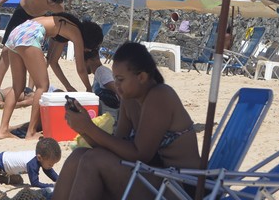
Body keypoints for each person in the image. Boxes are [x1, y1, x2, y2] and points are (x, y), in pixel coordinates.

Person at [52, 43, 200, 200]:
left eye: (120, 79)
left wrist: (89, 127)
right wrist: (83, 128)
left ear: (142, 77)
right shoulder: (130, 101)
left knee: (92, 161)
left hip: (182, 186)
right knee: (79, 155)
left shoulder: (160, 96)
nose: (116, 85)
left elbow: (140, 153)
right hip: (153, 176)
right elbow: (115, 148)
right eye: (115, 79)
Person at [0, 19, 103, 140]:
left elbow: (53, 62)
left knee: (17, 87)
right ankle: (31, 132)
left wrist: (67, 86)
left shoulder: (63, 25)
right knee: (43, 86)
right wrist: (88, 88)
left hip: (17, 31)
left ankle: (3, 130)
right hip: (30, 35)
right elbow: (81, 69)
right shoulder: (76, 32)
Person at [0, 0, 69, 87]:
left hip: (38, 20)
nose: (50, 3)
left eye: (54, 3)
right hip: (21, 13)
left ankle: (30, 88)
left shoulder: (59, 8)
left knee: (35, 54)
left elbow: (58, 26)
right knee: (6, 49)